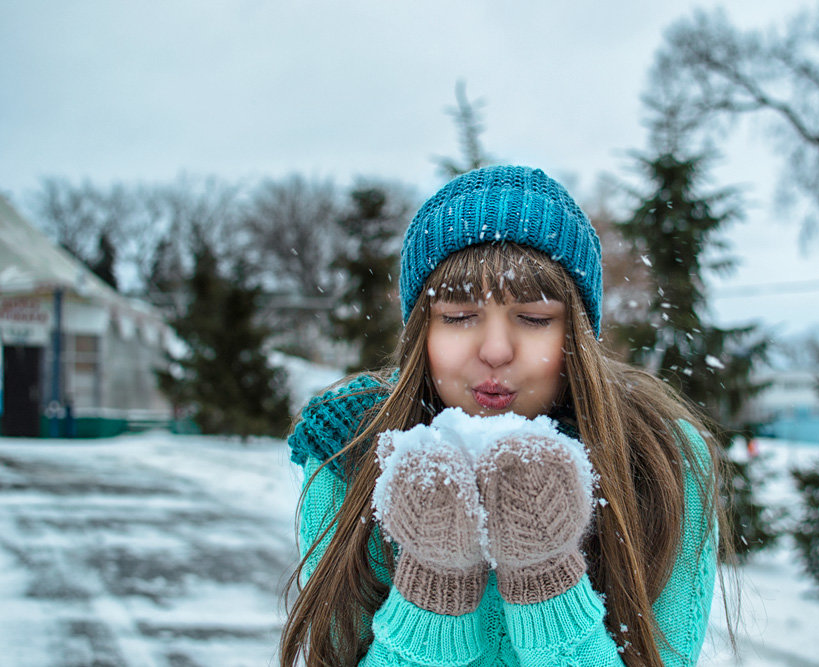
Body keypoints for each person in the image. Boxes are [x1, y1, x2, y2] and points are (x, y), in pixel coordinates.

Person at [281, 165, 730, 666]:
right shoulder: (349, 452)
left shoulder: (659, 458)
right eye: (458, 316)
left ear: (575, 335)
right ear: (420, 334)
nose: (495, 350)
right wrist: (434, 583)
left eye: (535, 319)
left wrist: (545, 576)